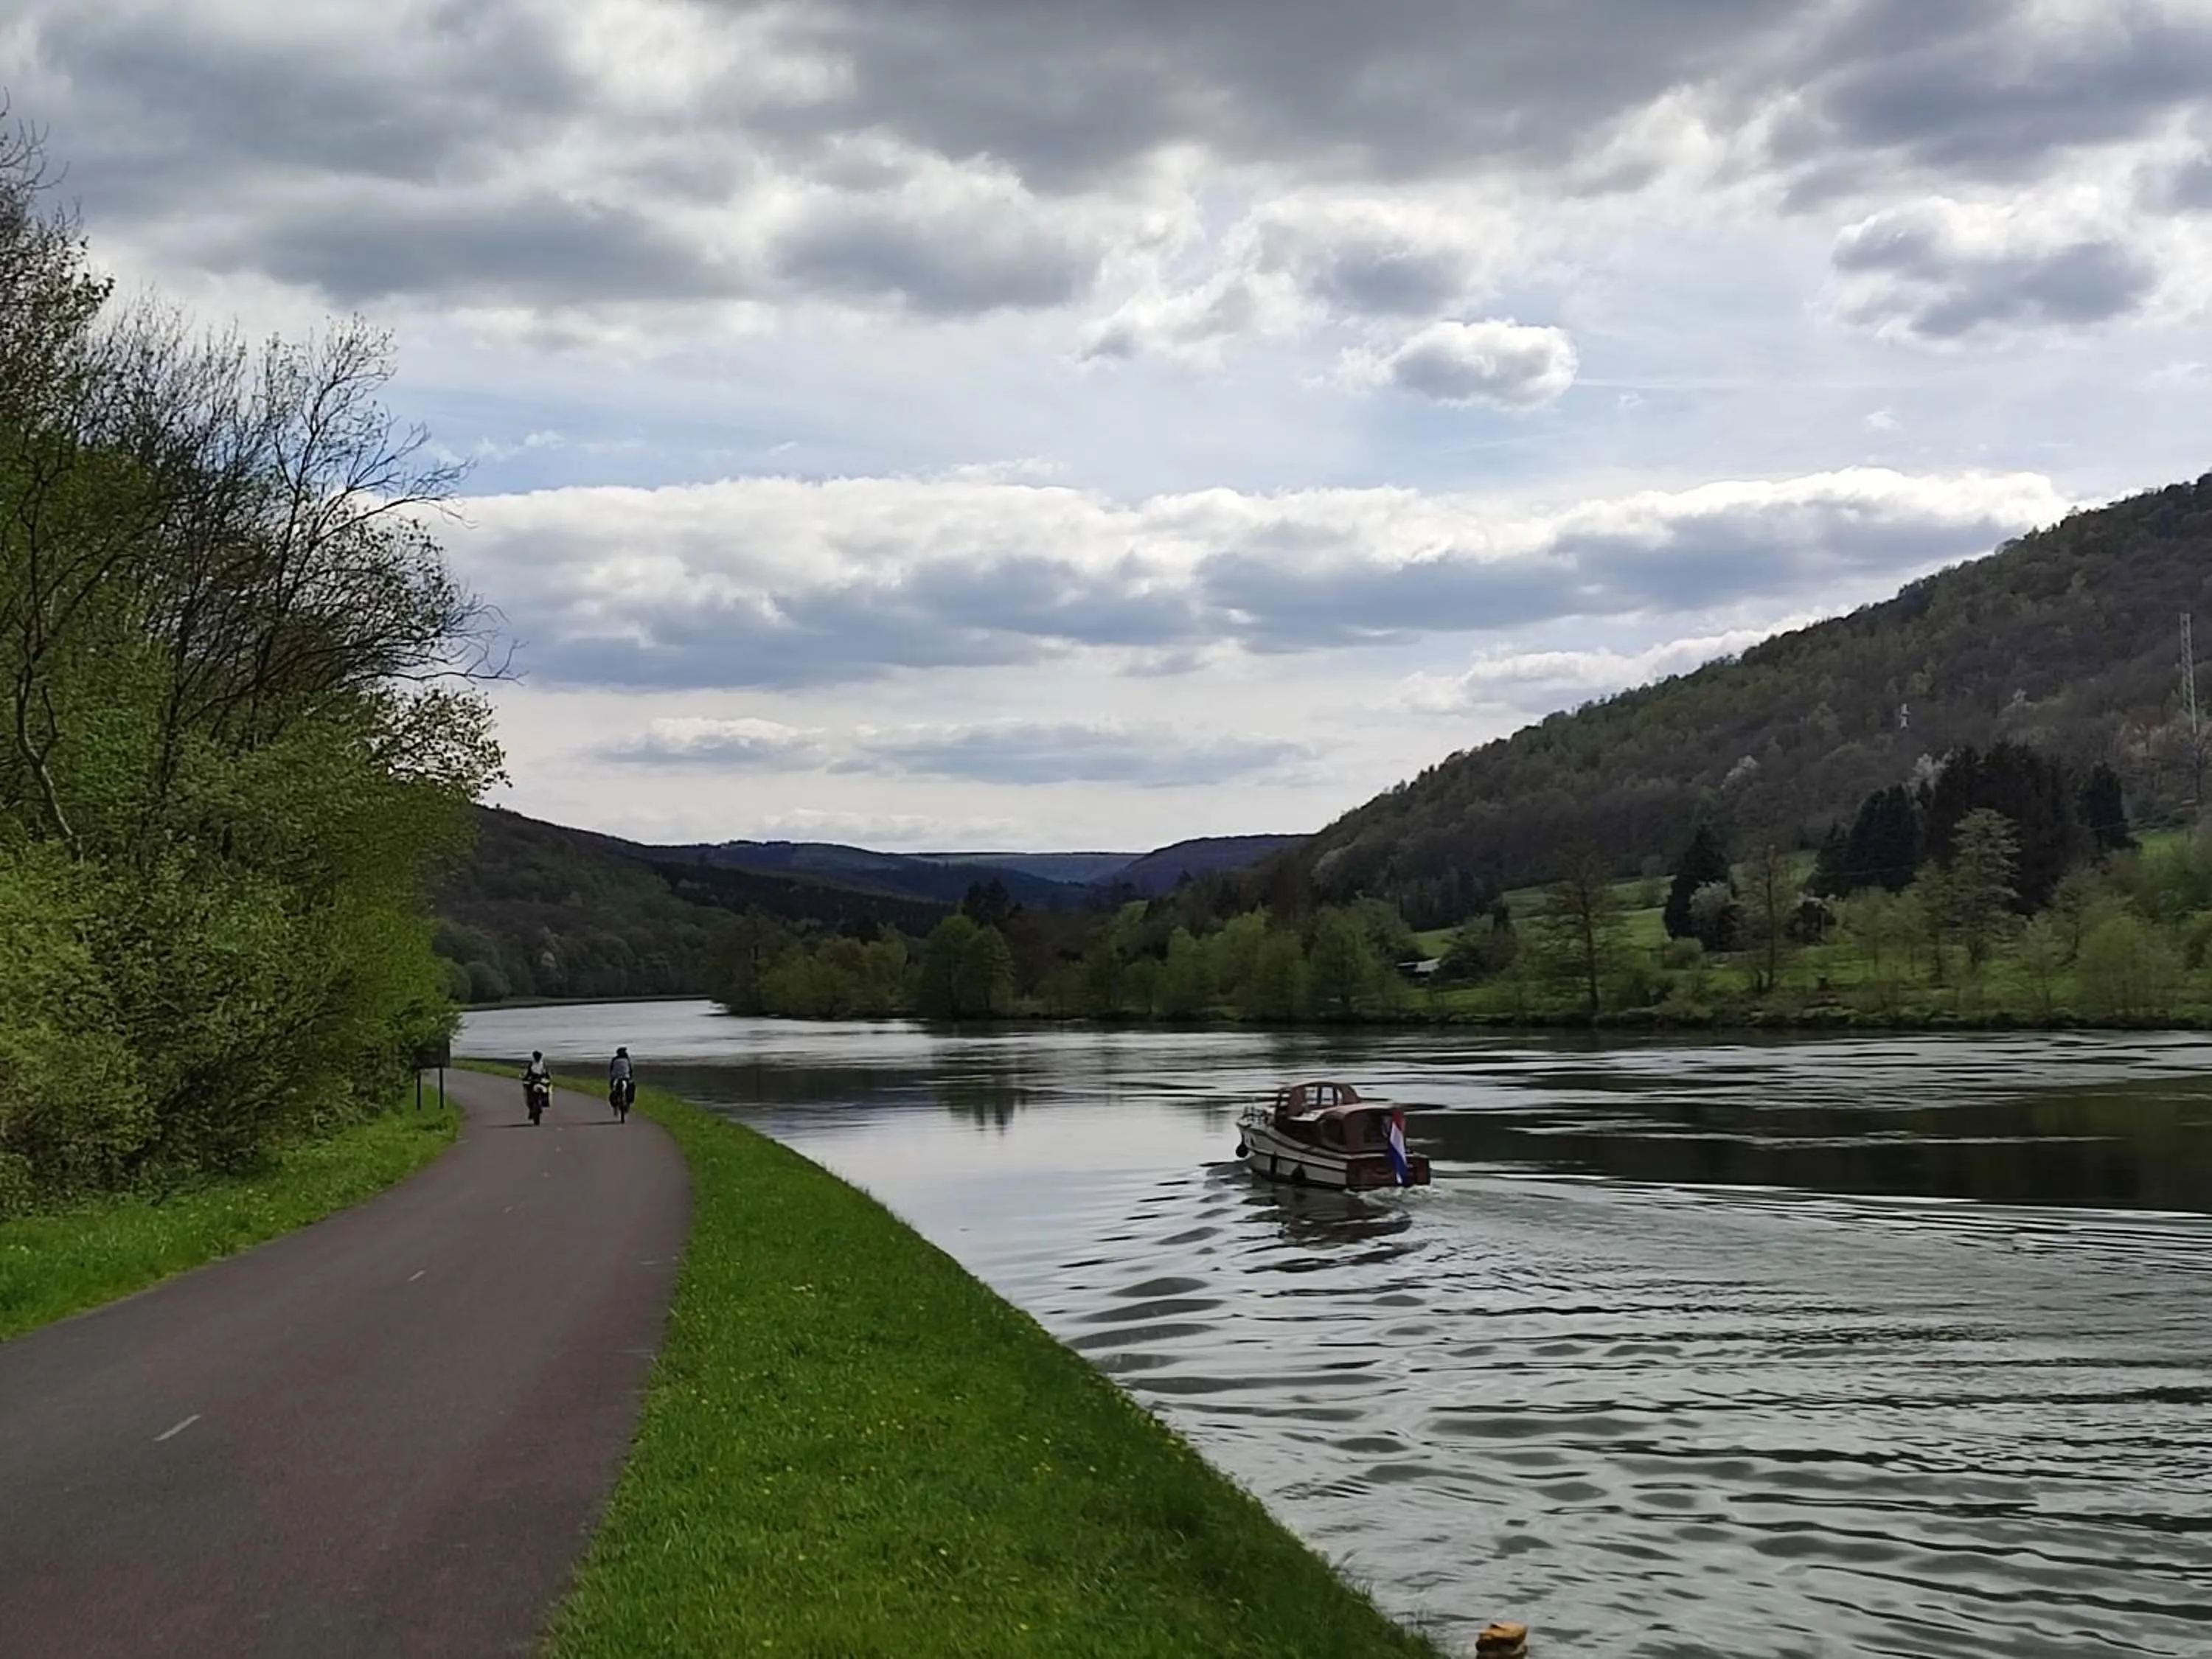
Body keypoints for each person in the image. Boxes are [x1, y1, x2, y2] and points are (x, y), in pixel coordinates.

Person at [522, 1051, 552, 1124]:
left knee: (544, 1091)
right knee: (528, 1092)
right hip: (534, 1081)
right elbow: (528, 1074)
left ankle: (542, 1103)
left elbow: (547, 1074)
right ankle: (533, 1108)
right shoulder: (533, 1064)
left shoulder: (542, 1064)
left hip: (540, 1082)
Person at [608, 1046, 633, 1122]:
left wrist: (613, 1076)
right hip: (626, 1078)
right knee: (631, 1089)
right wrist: (630, 1077)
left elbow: (611, 1070)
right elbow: (631, 1070)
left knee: (613, 1090)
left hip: (616, 1078)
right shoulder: (627, 1060)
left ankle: (615, 1106)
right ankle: (628, 1103)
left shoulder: (614, 1060)